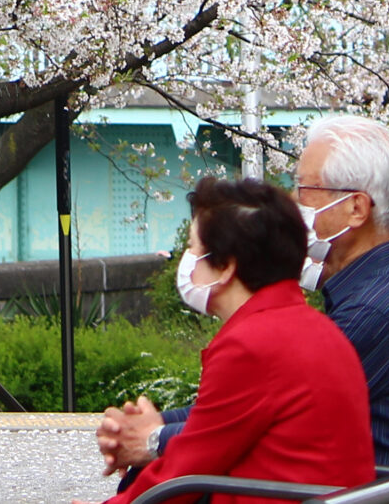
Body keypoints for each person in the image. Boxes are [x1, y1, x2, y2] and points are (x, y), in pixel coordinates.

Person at [100, 116, 389, 480]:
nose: (294, 201)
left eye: (305, 189)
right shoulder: (379, 284)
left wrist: (152, 436)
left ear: (356, 208)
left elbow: (245, 416)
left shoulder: (373, 308)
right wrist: (156, 425)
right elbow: (244, 405)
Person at [87, 177, 374, 504]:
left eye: (194, 248)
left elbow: (185, 473)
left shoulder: (251, 345)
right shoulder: (314, 328)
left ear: (225, 267)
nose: (187, 260)